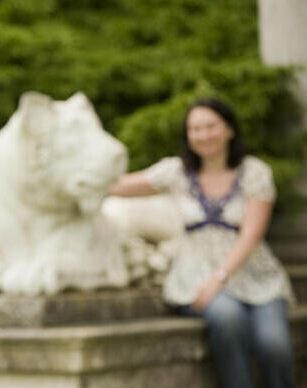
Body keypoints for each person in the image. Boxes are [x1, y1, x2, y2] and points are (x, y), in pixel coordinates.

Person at [110, 98, 295, 388]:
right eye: (195, 129)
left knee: (274, 344)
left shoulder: (254, 172)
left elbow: (251, 235)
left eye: (210, 126)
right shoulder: (175, 171)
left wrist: (220, 278)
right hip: (194, 277)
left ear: (229, 130)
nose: (203, 135)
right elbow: (116, 186)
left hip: (255, 277)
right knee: (227, 317)